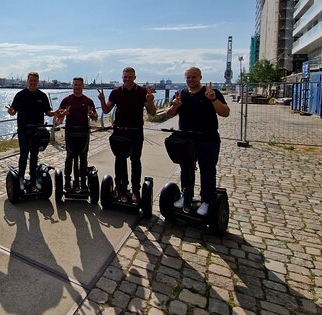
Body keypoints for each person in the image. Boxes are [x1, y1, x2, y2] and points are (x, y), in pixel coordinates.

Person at [165, 66, 230, 215]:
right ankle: (186, 196)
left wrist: (213, 100)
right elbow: (168, 115)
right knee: (186, 170)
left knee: (207, 170)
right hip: (186, 140)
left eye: (193, 77)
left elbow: (225, 113)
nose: (190, 80)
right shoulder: (181, 94)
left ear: (200, 77)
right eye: (188, 77)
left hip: (208, 139)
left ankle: (207, 200)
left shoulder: (211, 93)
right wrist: (175, 106)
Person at [97, 67, 157, 203]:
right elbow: (106, 110)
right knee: (120, 160)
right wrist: (102, 100)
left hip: (136, 131)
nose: (127, 79)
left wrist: (151, 100)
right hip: (119, 131)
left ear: (135, 77)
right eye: (125, 77)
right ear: (122, 77)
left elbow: (152, 113)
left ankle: (136, 190)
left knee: (135, 160)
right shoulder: (116, 92)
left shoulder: (142, 92)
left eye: (130, 77)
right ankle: (120, 187)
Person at [6, 72, 59, 189]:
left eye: (35, 81)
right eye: (31, 80)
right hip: (23, 130)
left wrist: (54, 113)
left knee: (34, 155)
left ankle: (33, 179)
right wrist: (11, 112)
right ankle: (20, 178)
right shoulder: (20, 95)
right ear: (27, 81)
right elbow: (13, 111)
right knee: (24, 154)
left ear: (38, 82)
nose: (33, 83)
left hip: (37, 131)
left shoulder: (42, 96)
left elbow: (48, 112)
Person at [55, 77, 98, 191]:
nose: (77, 87)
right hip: (70, 132)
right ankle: (68, 181)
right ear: (72, 85)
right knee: (70, 157)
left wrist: (91, 114)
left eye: (79, 85)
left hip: (83, 132)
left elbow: (95, 118)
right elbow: (58, 121)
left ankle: (83, 182)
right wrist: (63, 114)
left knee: (83, 158)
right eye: (75, 85)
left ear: (83, 86)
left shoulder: (88, 101)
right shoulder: (66, 100)